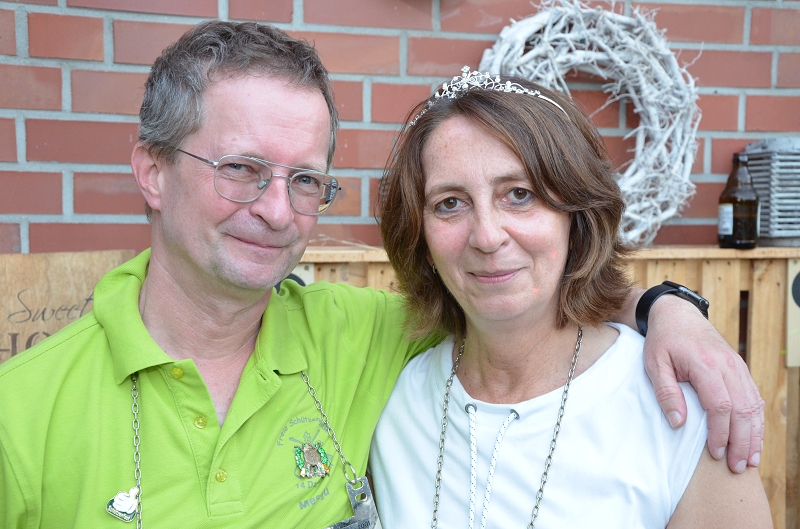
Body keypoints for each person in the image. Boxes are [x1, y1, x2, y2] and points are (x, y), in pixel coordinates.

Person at [0, 21, 763, 529]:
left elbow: (523, 303)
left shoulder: (361, 340)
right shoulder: (20, 414)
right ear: (152, 171)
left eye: (305, 180)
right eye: (241, 169)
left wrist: (668, 307)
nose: (276, 210)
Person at [370, 69, 771, 528]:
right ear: (420, 235)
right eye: (450, 203)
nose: (486, 236)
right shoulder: (392, 397)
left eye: (519, 194)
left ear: (576, 216)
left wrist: (668, 306)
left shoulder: (675, 408)